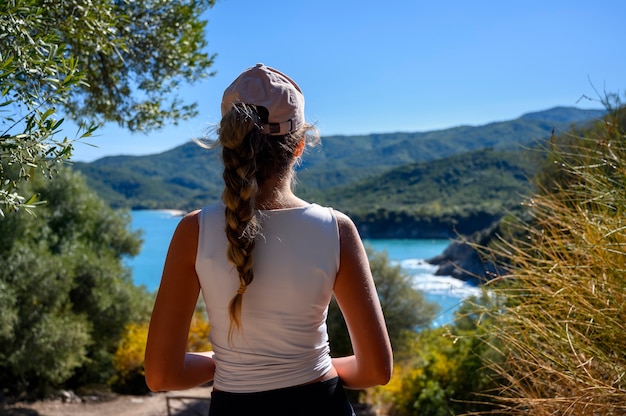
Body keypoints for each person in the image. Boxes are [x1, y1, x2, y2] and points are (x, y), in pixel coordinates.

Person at [144, 63, 393, 416]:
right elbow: (376, 371)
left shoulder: (193, 231)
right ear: (299, 146)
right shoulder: (336, 229)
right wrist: (308, 366)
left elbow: (161, 374)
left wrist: (229, 362)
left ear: (227, 145)